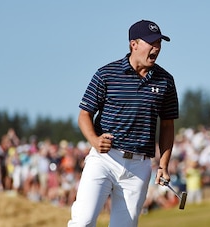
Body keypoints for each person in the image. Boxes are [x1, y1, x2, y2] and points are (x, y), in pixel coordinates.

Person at [68, 19, 179, 227]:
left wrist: (163, 164)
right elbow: (84, 115)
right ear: (133, 44)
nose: (156, 48)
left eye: (159, 43)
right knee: (83, 221)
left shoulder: (165, 81)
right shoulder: (106, 74)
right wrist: (94, 140)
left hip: (139, 166)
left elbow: (167, 125)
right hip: (104, 159)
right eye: (151, 42)